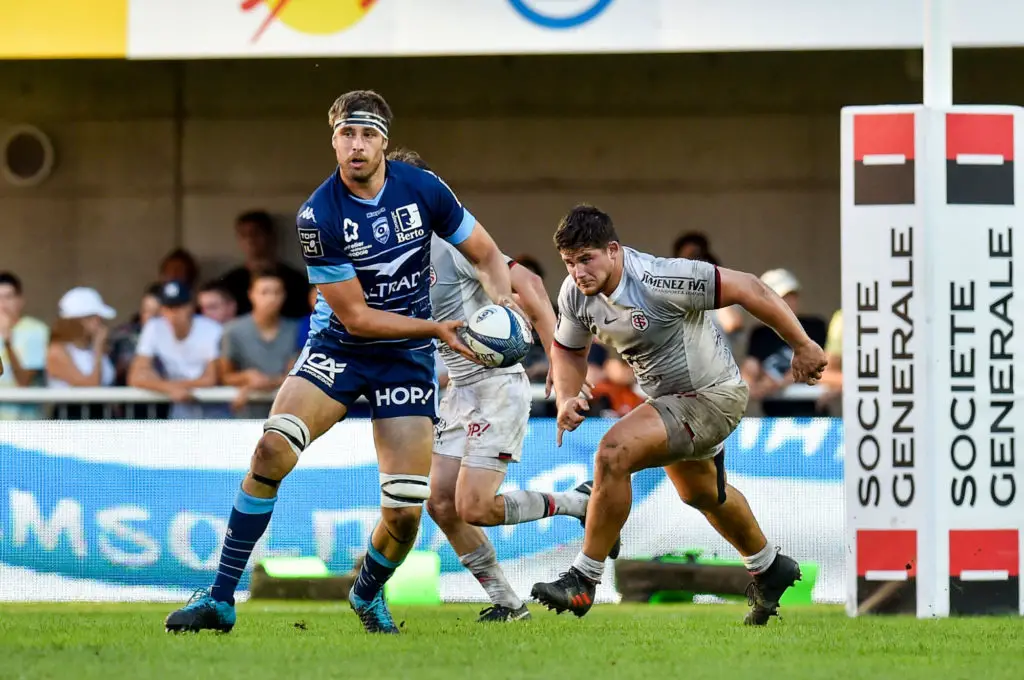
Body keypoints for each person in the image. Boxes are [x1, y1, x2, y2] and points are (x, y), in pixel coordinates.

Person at [164, 90, 524, 636]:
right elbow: (356, 318)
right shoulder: (319, 214)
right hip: (342, 348)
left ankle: (367, 593)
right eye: (346, 134)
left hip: (404, 359)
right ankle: (219, 598)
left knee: (404, 512)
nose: (356, 145)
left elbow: (488, 254)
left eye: (367, 134)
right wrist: (437, 328)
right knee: (271, 448)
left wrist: (501, 305)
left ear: (383, 142)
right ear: (333, 140)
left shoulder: (424, 188)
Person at [530, 205, 827, 626]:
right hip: (668, 402)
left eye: (586, 259)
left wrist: (802, 344)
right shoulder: (575, 293)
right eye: (569, 262)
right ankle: (768, 566)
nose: (578, 272)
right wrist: (565, 397)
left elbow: (751, 288)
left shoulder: (661, 278)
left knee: (613, 453)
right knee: (702, 495)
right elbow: (568, 350)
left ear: (613, 250)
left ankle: (583, 578)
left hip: (712, 396)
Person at [387, 148, 612, 623]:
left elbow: (529, 283)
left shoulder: (453, 241)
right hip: (459, 390)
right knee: (442, 505)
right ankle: (509, 605)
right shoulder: (391, 254)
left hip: (496, 386)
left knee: (474, 506)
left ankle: (577, 502)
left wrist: (559, 361)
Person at [128, 281, 224, 420]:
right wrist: (170, 388)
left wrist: (166, 386)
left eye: (179, 307)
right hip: (180, 409)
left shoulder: (211, 329)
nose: (173, 313)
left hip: (215, 409)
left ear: (190, 307)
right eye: (168, 307)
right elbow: (135, 376)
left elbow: (211, 378)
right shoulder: (154, 327)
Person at [219, 269, 300, 419]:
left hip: (285, 414)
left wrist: (260, 384)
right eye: (264, 292)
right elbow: (225, 376)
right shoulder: (232, 330)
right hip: (246, 415)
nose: (271, 298)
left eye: (277, 292)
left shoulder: (295, 329)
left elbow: (294, 375)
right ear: (251, 294)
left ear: (284, 295)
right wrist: (246, 377)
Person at [46, 287, 117, 419]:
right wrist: (98, 349)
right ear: (79, 321)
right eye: (94, 318)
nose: (100, 323)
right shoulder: (58, 350)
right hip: (73, 418)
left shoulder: (94, 347)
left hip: (102, 416)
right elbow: (90, 387)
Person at [0, 272, 49, 420]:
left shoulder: (36, 330)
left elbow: (23, 381)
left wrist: (7, 342)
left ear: (20, 300)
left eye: (8, 297)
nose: (3, 304)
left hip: (25, 423)